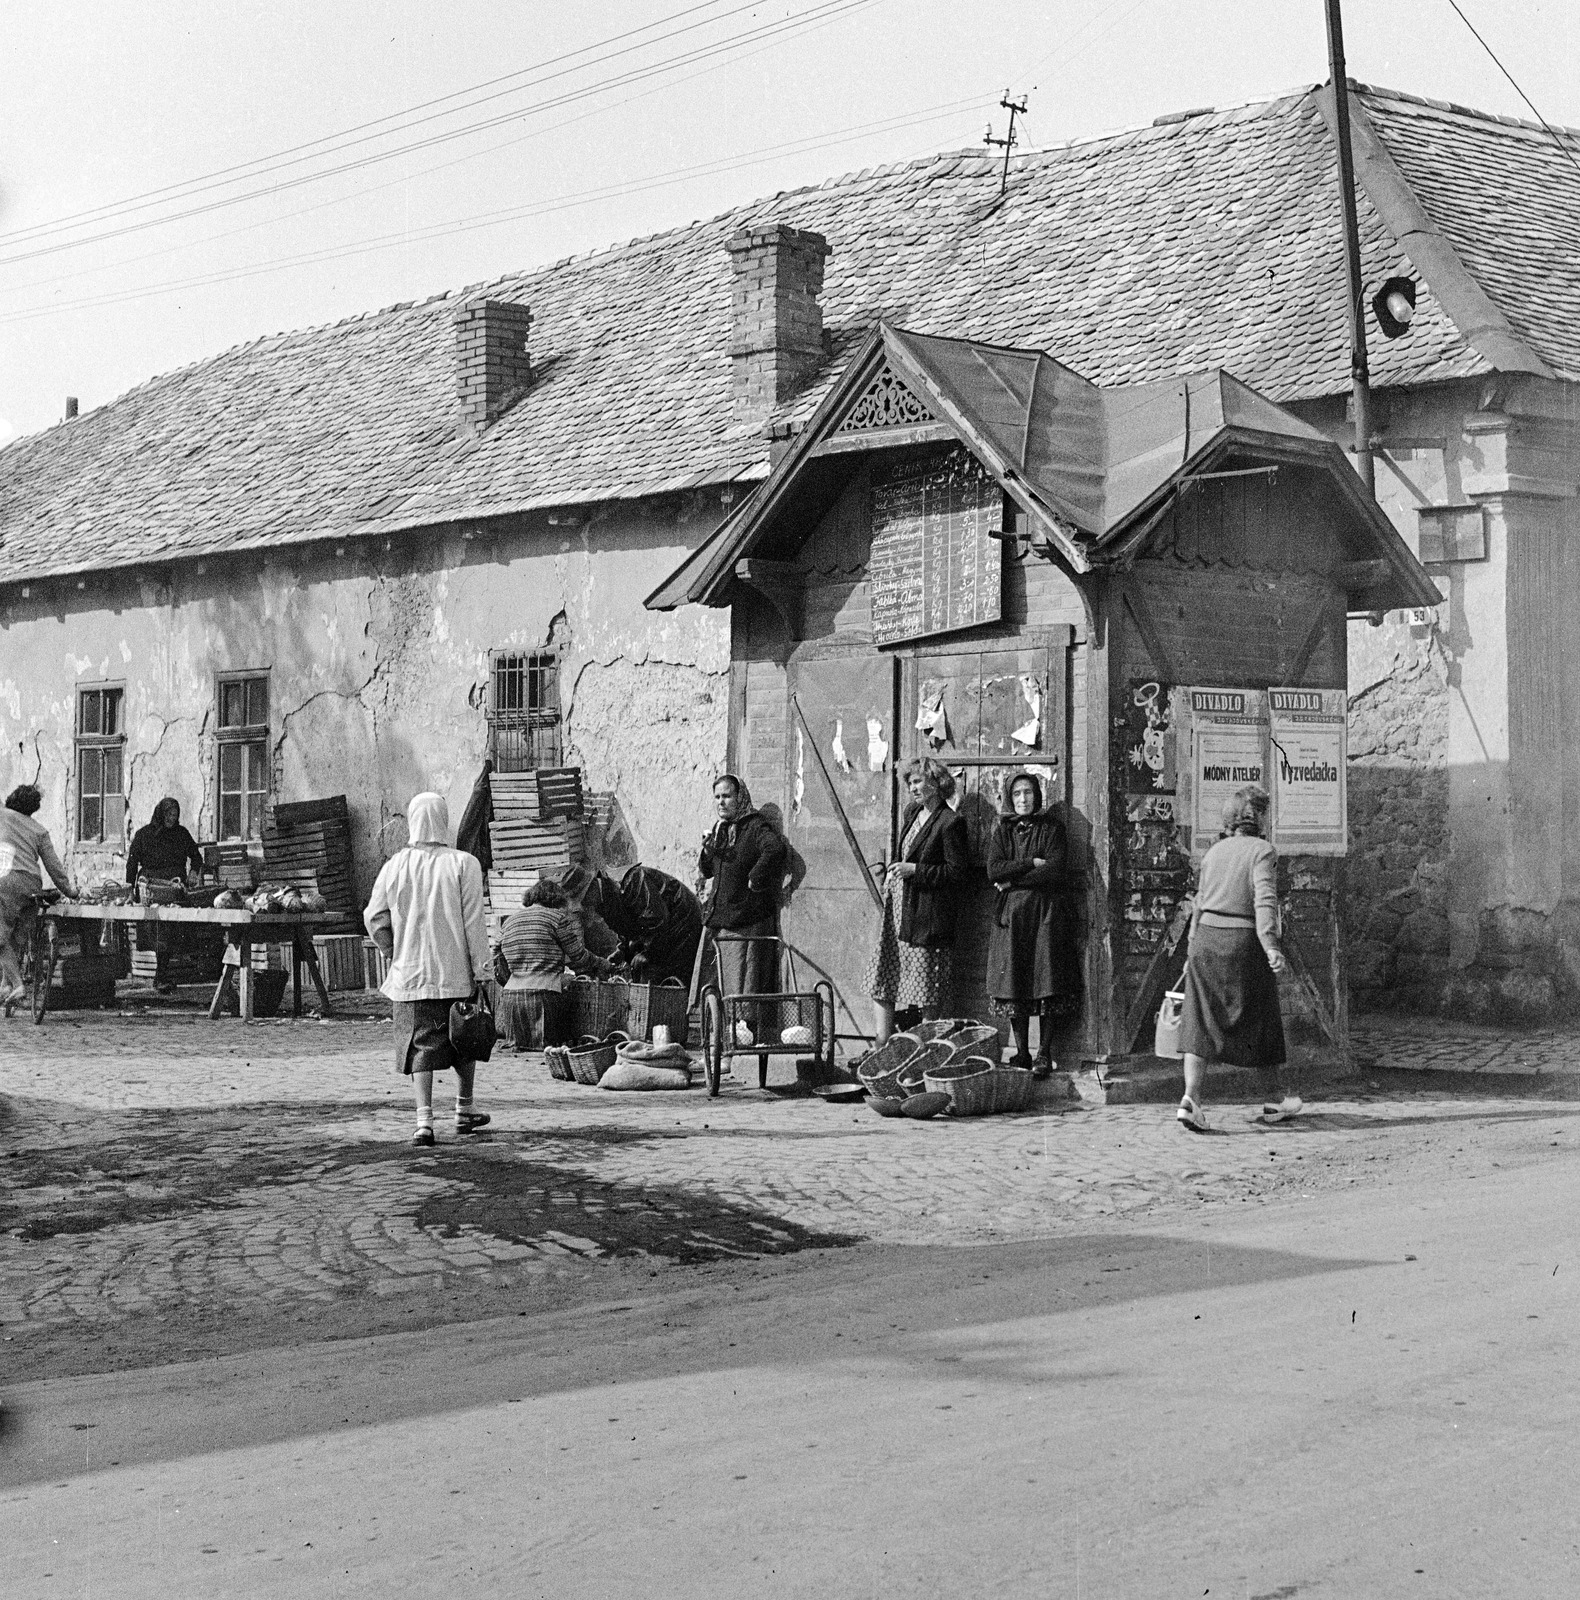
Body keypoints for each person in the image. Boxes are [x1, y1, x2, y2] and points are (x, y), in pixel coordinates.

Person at [366, 792, 493, 1147]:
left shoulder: (394, 866)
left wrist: (392, 950)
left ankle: (424, 1122)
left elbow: (374, 917)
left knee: (419, 1046)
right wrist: (483, 971)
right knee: (464, 1039)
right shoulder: (464, 864)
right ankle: (464, 1108)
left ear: (412, 821)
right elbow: (474, 923)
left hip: (410, 976)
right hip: (456, 974)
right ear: (443, 819)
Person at [1176, 783, 1299, 1133]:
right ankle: (1273, 1100)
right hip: (1242, 944)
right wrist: (1270, 944)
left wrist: (1191, 950)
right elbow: (1265, 900)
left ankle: (1190, 1100)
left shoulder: (1214, 852)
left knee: (1199, 1022)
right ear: (1258, 818)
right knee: (1263, 1019)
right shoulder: (1263, 851)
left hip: (1206, 942)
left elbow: (1199, 904)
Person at [862, 757, 969, 1045]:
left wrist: (916, 871)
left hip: (926, 915)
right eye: (910, 782)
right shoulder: (912, 813)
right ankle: (882, 1044)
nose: (912, 787)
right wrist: (894, 870)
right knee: (882, 978)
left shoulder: (950, 822)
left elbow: (957, 873)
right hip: (898, 911)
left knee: (926, 989)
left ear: (937, 783)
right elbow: (906, 853)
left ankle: (924, 1050)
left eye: (918, 781)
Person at [986, 772, 1082, 1076]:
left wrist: (1013, 880)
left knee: (1046, 980)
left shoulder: (1052, 829)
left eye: (1028, 792)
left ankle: (1044, 1053)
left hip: (1046, 915)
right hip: (1012, 919)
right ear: (1010, 798)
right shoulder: (1003, 832)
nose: (1023, 799)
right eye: (1017, 794)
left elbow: (1054, 870)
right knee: (1014, 980)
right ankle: (1022, 1052)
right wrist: (1029, 863)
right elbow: (993, 870)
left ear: (1037, 796)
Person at [698, 775, 786, 1038]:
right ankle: (719, 1040)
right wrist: (707, 850)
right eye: (717, 797)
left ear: (740, 797)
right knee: (719, 983)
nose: (721, 802)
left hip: (744, 919)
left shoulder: (755, 826)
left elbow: (775, 849)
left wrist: (755, 877)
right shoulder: (720, 829)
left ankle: (741, 1038)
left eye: (727, 796)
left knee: (742, 983)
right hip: (721, 918)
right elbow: (708, 871)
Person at [494, 877, 612, 1051]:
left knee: (521, 1052)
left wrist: (512, 978)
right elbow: (578, 956)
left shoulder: (509, 921)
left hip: (512, 1000)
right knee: (549, 1051)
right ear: (556, 899)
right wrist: (602, 964)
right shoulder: (557, 918)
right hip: (544, 998)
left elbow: (496, 958)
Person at [0, 784, 77, 1013]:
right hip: (32, 886)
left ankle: (17, 986)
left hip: (6, 882)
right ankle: (5, 985)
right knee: (16, 940)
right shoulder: (39, 830)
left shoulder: (2, 815)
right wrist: (70, 891)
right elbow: (53, 866)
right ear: (33, 809)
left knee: (0, 940)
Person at [126, 797, 205, 993]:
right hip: (151, 890)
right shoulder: (144, 835)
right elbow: (132, 863)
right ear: (161, 814)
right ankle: (160, 976)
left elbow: (196, 856)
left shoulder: (181, 834)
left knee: (170, 932)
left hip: (174, 889)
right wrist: (130, 890)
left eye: (175, 815)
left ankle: (161, 975)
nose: (172, 818)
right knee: (156, 930)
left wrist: (194, 872)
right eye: (169, 814)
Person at [584, 863, 704, 987]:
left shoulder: (633, 878)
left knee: (660, 977)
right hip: (665, 928)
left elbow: (656, 919)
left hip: (682, 920)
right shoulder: (603, 898)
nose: (585, 906)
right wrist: (622, 951)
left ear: (592, 888)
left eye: (584, 899)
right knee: (642, 970)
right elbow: (627, 926)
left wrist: (648, 954)